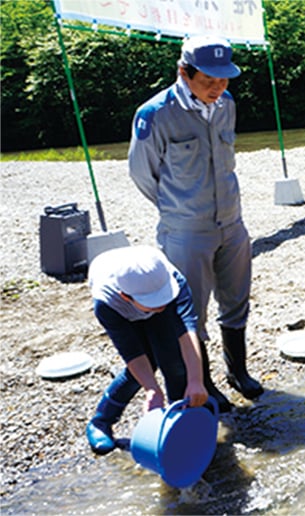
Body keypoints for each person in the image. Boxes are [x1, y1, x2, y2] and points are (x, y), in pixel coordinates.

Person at [128, 35, 262, 413]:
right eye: (209, 80)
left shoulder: (226, 104)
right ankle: (204, 385)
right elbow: (142, 174)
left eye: (224, 79)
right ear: (183, 72)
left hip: (231, 222)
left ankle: (239, 372)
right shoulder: (154, 114)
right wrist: (179, 210)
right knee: (191, 311)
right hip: (186, 230)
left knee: (236, 300)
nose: (218, 87)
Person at [85, 246, 209, 455]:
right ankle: (101, 421)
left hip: (149, 292)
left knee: (175, 363)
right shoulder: (106, 302)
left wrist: (196, 380)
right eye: (153, 305)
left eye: (163, 300)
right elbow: (132, 353)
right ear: (126, 296)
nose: (160, 306)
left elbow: (187, 332)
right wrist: (152, 389)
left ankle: (179, 423)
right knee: (144, 368)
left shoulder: (173, 281)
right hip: (123, 311)